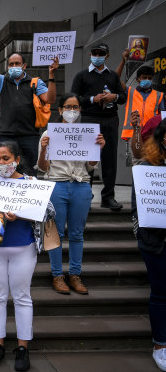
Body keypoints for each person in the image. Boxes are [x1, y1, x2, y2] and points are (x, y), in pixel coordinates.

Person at [0, 141, 56, 372]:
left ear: (16, 159)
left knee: (22, 296)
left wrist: (22, 214)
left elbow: (50, 211)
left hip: (23, 247)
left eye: (6, 158)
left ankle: (23, 347)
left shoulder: (31, 183)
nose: (1, 163)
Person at [37, 93, 106, 295]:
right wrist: (43, 149)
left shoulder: (89, 134)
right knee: (56, 233)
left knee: (77, 234)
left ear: (80, 110)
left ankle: (75, 274)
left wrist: (99, 148)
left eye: (76, 107)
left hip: (81, 185)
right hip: (56, 185)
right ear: (60, 110)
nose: (72, 111)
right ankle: (57, 276)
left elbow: (91, 166)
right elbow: (42, 168)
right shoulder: (48, 134)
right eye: (68, 107)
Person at [0, 23, 58, 177]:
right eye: (11, 64)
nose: (14, 66)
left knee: (30, 173)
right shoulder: (1, 81)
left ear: (24, 66)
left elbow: (50, 99)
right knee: (3, 172)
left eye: (17, 64)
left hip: (30, 136)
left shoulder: (35, 82)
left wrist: (51, 75)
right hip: (6, 135)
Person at [70, 42, 126, 211]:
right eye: (94, 53)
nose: (97, 56)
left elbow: (123, 97)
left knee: (110, 158)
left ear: (107, 56)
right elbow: (74, 98)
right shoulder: (82, 76)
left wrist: (114, 96)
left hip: (110, 118)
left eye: (100, 53)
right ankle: (86, 194)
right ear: (90, 55)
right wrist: (93, 99)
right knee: (88, 158)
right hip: (89, 118)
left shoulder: (112, 76)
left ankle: (108, 197)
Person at [133, 119, 166, 372]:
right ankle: (161, 345)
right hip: (157, 244)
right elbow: (139, 209)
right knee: (161, 293)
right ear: (162, 139)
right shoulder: (147, 168)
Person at [115, 54, 164, 165]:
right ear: (137, 79)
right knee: (137, 163)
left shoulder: (159, 95)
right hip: (133, 133)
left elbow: (163, 116)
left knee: (153, 161)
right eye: (144, 78)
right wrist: (123, 61)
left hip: (152, 134)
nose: (147, 80)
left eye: (150, 78)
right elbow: (115, 79)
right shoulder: (130, 91)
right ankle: (136, 183)